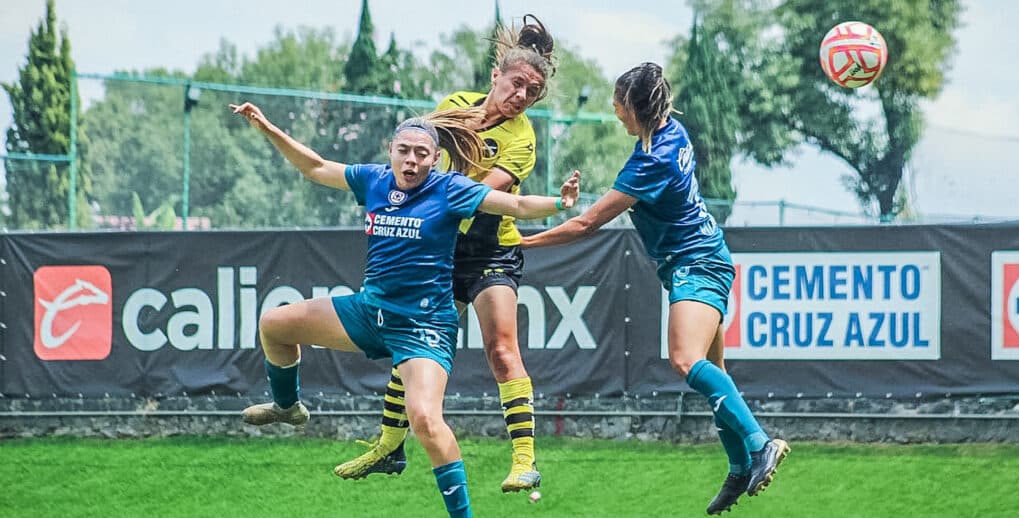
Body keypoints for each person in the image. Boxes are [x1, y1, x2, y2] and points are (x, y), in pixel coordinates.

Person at [229, 100, 579, 518]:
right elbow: (316, 167)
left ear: (434, 159)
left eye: (421, 153)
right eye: (404, 151)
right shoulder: (374, 180)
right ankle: (288, 407)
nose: (411, 160)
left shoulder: (449, 188)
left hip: (424, 327)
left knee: (426, 420)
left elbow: (516, 206)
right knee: (274, 325)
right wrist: (268, 127)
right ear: (390, 150)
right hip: (369, 311)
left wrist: (560, 203)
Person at [519, 62, 790, 515]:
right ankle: (740, 465)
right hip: (702, 257)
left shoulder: (652, 160)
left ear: (634, 107)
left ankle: (761, 444)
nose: (614, 110)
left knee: (685, 359)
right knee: (712, 373)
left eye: (618, 103)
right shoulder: (670, 132)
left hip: (696, 264)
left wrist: (525, 242)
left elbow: (588, 223)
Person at [334, 14, 557, 494]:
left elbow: (479, 194)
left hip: (492, 249)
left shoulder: (523, 139)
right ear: (496, 76)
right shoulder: (454, 105)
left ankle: (525, 460)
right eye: (517, 84)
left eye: (532, 93)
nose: (522, 96)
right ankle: (389, 447)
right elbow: (421, 157)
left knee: (501, 348)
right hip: (443, 247)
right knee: (410, 347)